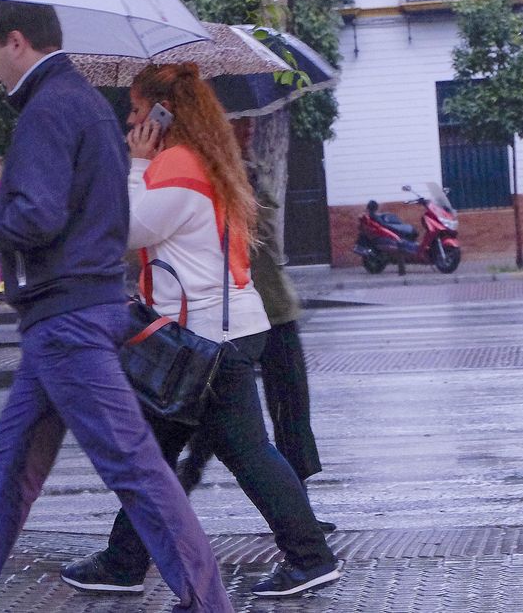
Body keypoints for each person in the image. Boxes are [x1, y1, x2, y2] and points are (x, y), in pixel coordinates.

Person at [0, 1, 230, 613]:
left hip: (66, 322)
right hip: (71, 316)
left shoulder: (47, 109)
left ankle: (209, 602)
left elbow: (36, 217)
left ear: (17, 42)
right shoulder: (85, 102)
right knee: (5, 471)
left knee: (134, 470)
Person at [61, 63, 341, 599]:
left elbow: (126, 230)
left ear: (165, 113)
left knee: (245, 454)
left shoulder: (176, 165)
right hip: (215, 334)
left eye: (138, 108)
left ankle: (310, 557)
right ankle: (124, 560)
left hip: (208, 340)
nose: (130, 117)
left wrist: (133, 165)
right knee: (158, 451)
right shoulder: (197, 159)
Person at [176, 117, 330, 532]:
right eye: (238, 123)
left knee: (289, 407)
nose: (249, 130)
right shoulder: (216, 174)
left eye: (249, 124)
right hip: (245, 311)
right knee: (224, 415)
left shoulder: (247, 168)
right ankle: (184, 483)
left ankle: (299, 507)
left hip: (275, 304)